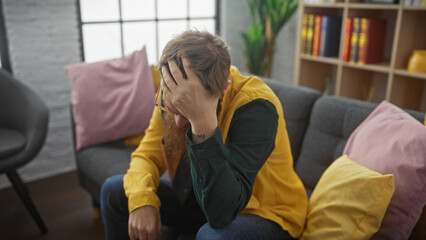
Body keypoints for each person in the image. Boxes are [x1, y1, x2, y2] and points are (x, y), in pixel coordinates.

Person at [101, 30, 308, 240]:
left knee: (213, 236)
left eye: (186, 110)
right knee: (114, 191)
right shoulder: (171, 94)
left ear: (222, 91)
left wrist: (201, 122)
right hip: (199, 200)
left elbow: (222, 212)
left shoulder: (257, 107)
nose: (178, 121)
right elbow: (146, 156)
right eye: (173, 107)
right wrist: (142, 200)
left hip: (266, 214)